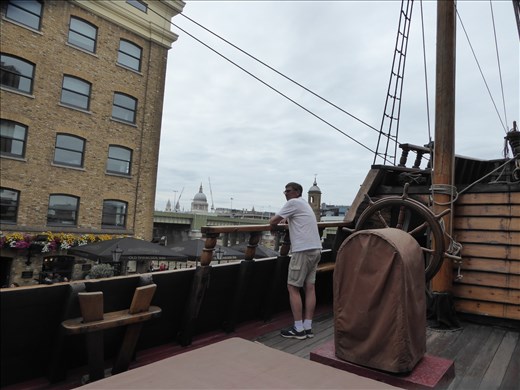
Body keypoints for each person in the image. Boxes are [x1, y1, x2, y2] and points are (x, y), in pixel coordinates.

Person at [270, 182, 322, 340]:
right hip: (316, 249)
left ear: (297, 192)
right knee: (310, 287)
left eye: (288, 190)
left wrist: (275, 224)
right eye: (284, 190)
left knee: (293, 287)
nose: (285, 193)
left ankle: (298, 329)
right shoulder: (304, 205)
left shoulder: (292, 203)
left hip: (302, 250)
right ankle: (307, 327)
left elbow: (273, 221)